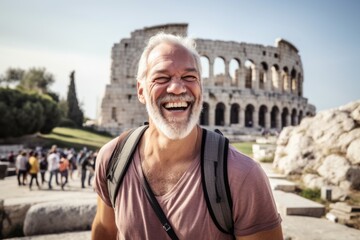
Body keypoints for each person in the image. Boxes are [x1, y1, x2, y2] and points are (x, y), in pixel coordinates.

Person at [92, 33, 283, 240]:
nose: (177, 88)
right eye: (162, 78)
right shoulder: (112, 159)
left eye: (189, 77)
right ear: (140, 91)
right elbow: (104, 231)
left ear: (201, 87)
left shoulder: (243, 176)